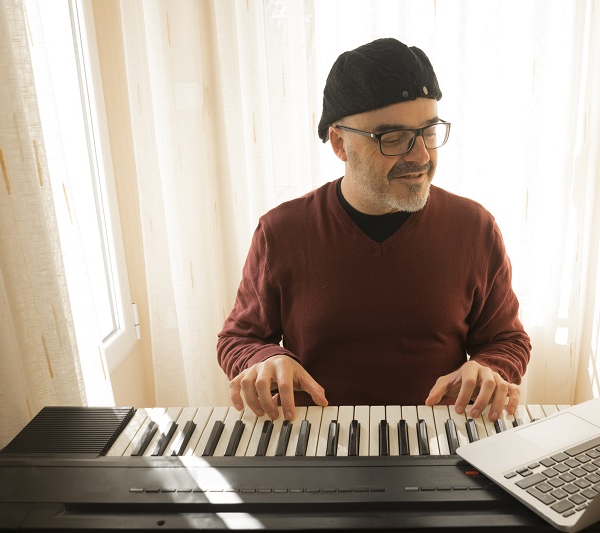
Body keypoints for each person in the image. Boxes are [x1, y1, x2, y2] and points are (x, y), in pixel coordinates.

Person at [218, 38, 530, 424]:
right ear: (339, 144)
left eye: (429, 132)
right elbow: (239, 338)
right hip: (316, 442)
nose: (420, 156)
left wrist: (489, 367)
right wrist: (266, 358)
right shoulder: (280, 232)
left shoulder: (475, 228)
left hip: (441, 440)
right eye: (393, 138)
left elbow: (507, 339)